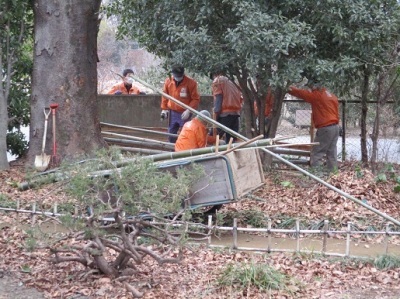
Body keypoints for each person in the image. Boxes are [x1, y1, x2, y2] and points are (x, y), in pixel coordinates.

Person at [288, 79, 340, 172]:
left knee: (317, 153)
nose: (310, 89)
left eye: (311, 87)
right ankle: (333, 174)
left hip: (325, 128)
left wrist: (287, 88)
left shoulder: (317, 96)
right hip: (335, 127)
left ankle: (316, 176)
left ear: (315, 86)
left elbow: (301, 93)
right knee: (331, 153)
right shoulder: (331, 96)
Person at [161, 64, 200, 143]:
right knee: (171, 134)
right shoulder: (168, 81)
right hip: (172, 112)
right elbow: (165, 95)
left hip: (184, 112)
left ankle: (183, 151)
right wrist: (164, 109)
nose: (178, 77)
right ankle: (172, 151)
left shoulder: (191, 83)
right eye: (176, 76)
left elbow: (195, 99)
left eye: (179, 76)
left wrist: (188, 110)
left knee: (185, 134)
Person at [211, 71, 243, 143]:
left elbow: (218, 100)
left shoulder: (218, 81)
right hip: (235, 114)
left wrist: (215, 117)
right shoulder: (233, 81)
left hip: (224, 115)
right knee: (231, 142)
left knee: (213, 138)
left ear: (214, 75)